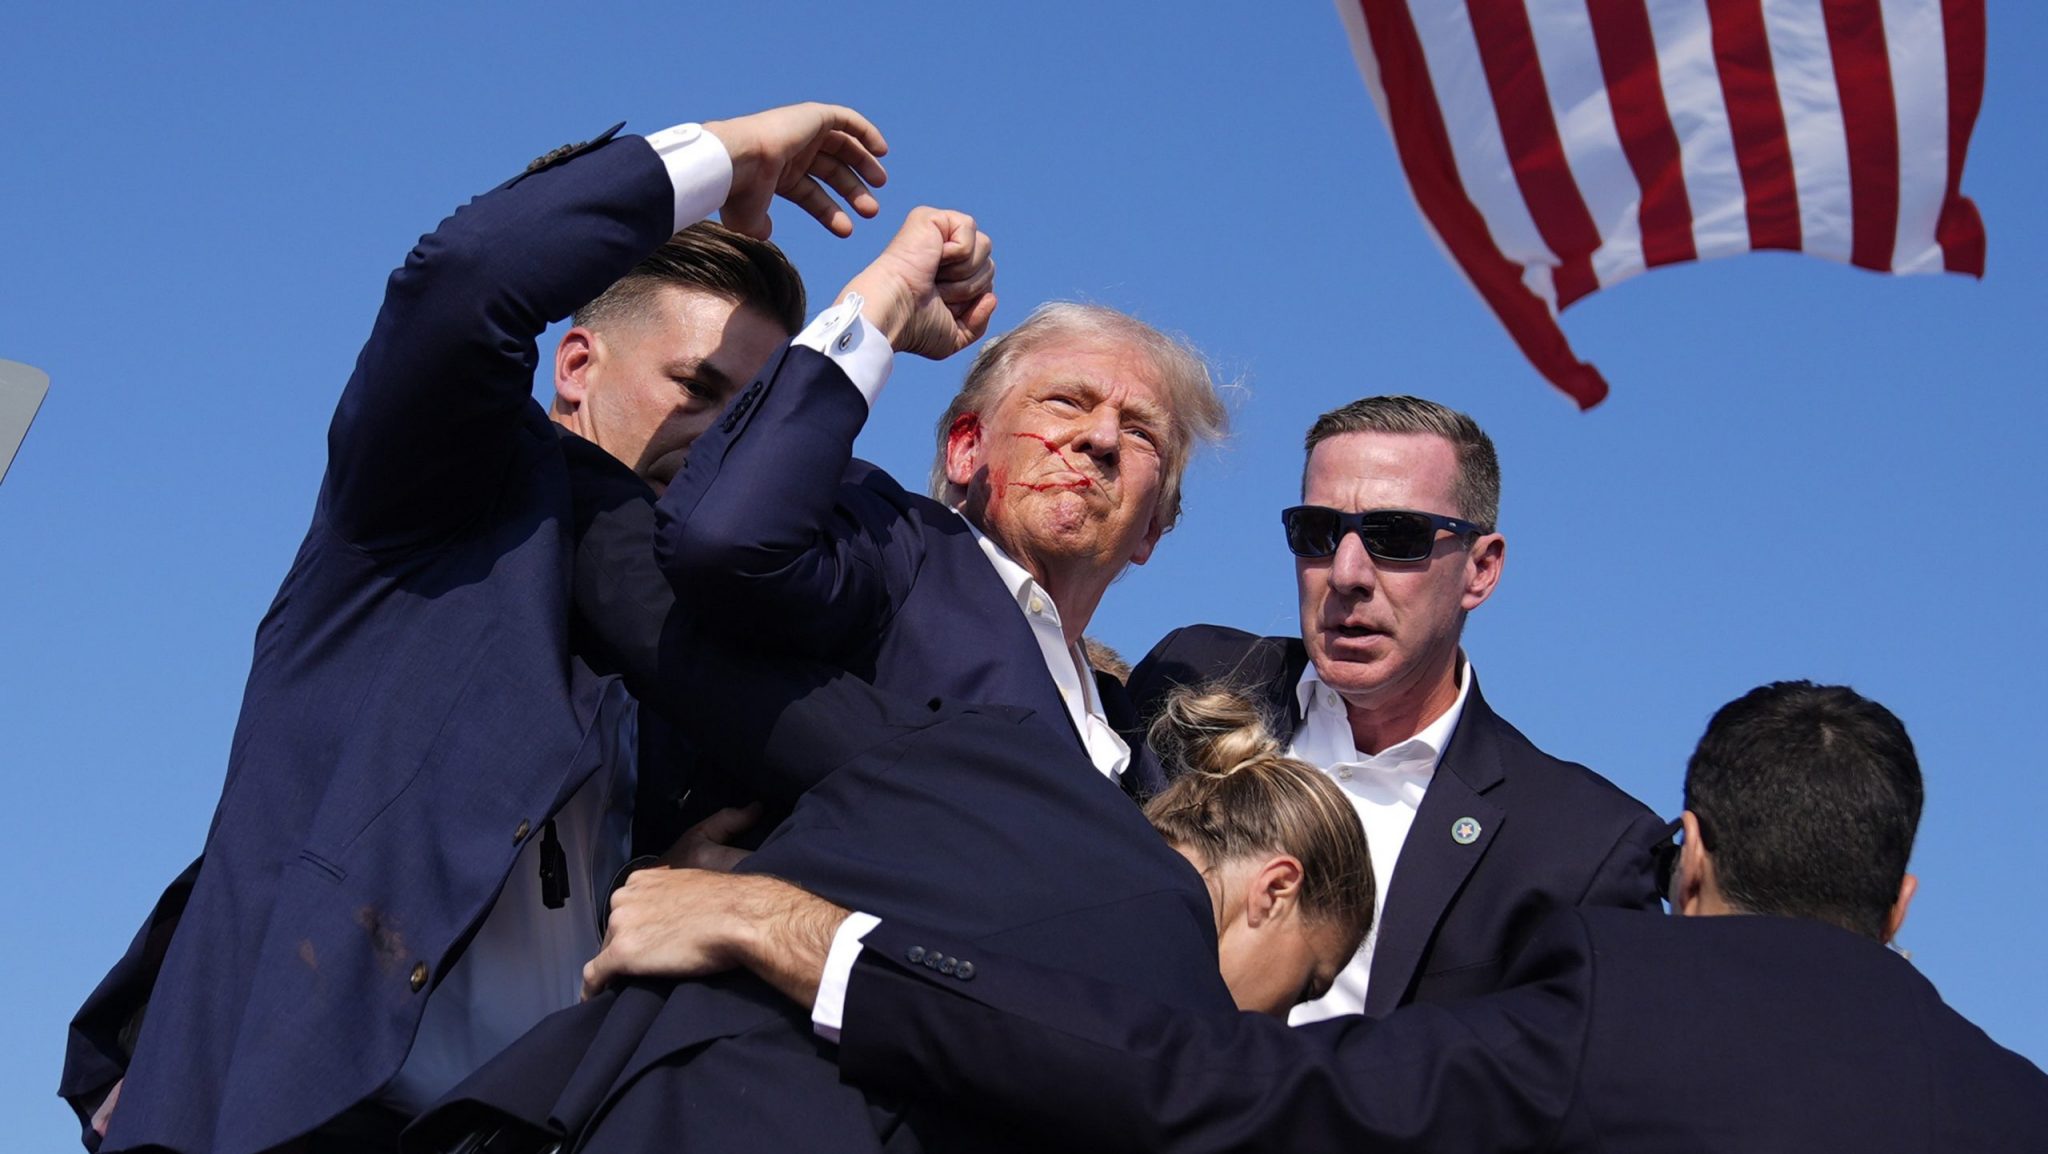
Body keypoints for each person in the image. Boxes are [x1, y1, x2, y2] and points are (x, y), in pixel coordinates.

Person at [60, 102, 994, 1154]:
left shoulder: (701, 644)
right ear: (577, 365)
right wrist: (728, 152)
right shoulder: (435, 499)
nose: (719, 435)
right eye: (696, 387)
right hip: (291, 1111)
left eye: (748, 415)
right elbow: (462, 278)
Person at [617, 680, 2048, 1152]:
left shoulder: (1612, 1014)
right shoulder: (2013, 1102)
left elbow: (1199, 1083)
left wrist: (804, 931)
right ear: (1903, 903)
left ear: (1691, 854)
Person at [400, 671, 1367, 1153]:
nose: (1278, 1018)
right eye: (1309, 979)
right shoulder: (1178, 1006)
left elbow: (715, 649)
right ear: (1276, 888)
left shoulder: (999, 761)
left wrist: (744, 882)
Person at [1131, 395, 1664, 1019]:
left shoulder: (1581, 848)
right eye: (1318, 533)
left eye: (1397, 537)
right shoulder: (1192, 671)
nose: (1348, 572)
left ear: (1481, 569)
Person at [655, 295, 1229, 800]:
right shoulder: (891, 547)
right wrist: (883, 304)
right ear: (966, 450)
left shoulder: (1132, 746)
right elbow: (726, 540)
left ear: (1151, 529)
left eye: (1140, 433)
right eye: (1065, 401)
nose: (1102, 438)